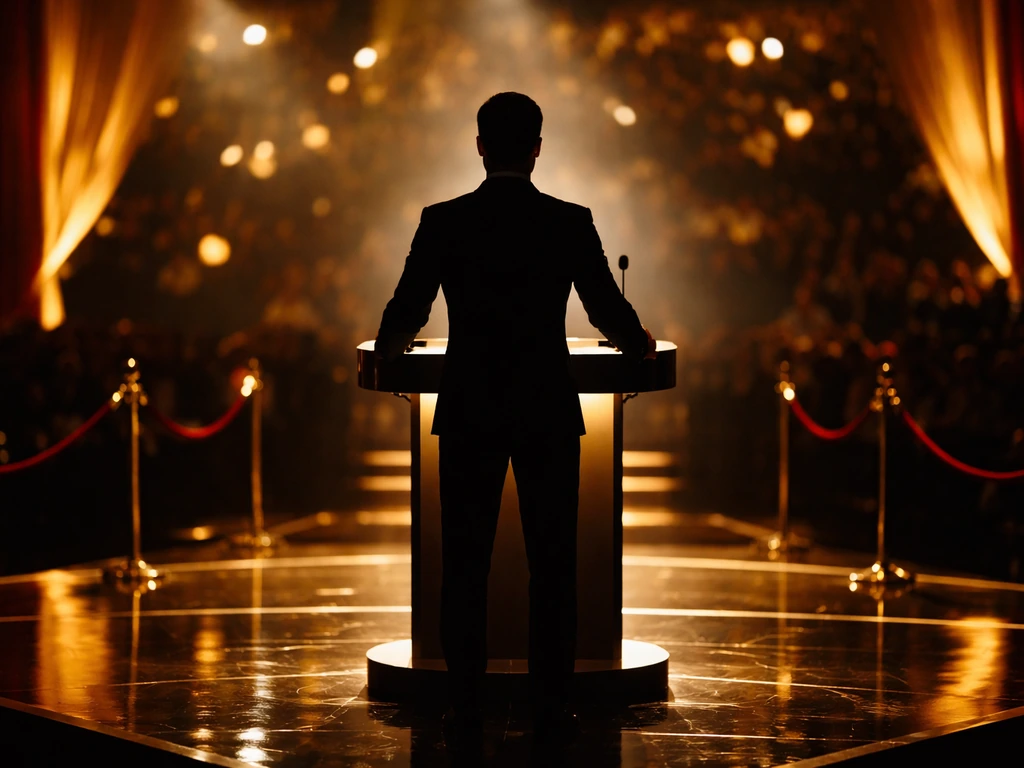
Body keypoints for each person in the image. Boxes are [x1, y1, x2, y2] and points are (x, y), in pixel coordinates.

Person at [374, 92, 655, 746]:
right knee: (552, 563)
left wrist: (385, 350)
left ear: (479, 145)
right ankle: (552, 706)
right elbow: (603, 309)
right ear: (536, 147)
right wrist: (637, 338)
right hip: (546, 407)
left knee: (464, 564)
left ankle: (463, 706)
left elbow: (408, 306)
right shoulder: (568, 220)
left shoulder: (443, 221)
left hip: (469, 406)